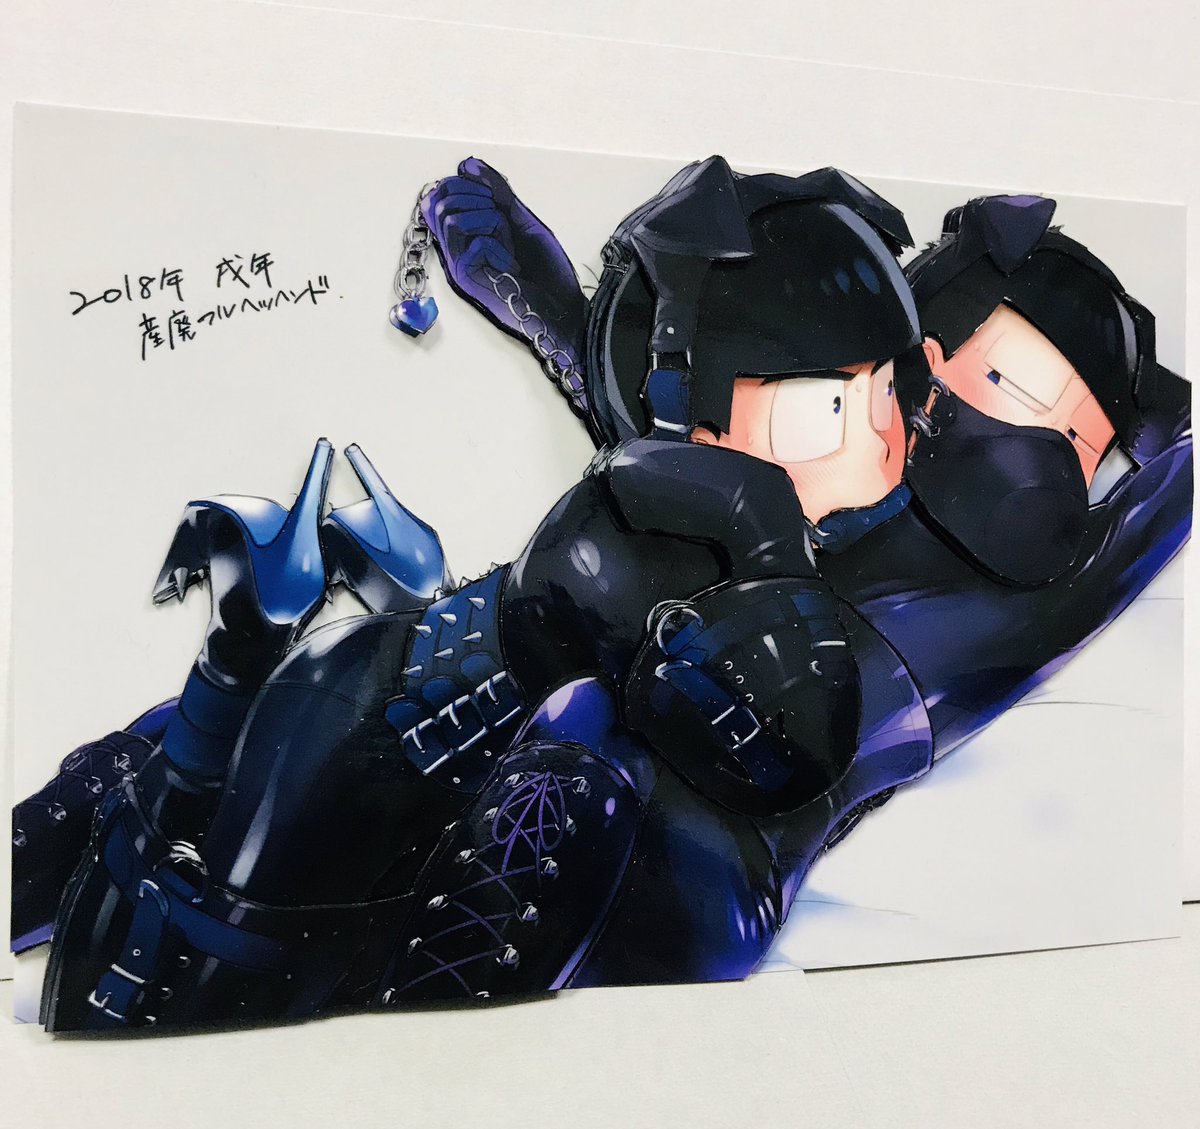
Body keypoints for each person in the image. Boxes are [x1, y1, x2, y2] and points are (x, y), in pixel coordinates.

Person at [31, 158, 938, 1030]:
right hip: (374, 751)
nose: (881, 438)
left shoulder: (862, 576)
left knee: (571, 769)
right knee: (190, 772)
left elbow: (789, 751)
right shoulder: (663, 514)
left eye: (893, 392)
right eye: (829, 407)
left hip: (537, 850)